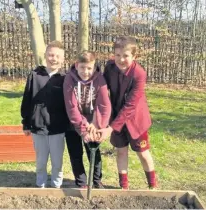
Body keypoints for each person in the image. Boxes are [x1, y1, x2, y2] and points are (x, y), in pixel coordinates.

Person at [98, 36, 157, 189]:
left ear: (134, 56)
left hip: (136, 120)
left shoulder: (139, 74)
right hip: (116, 116)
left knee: (143, 153)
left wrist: (110, 128)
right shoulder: (110, 68)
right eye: (117, 55)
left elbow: (131, 105)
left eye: (125, 56)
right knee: (121, 152)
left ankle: (153, 186)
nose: (121, 59)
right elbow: (103, 92)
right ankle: (123, 186)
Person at [21, 41, 69, 188]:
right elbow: (27, 99)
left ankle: (56, 186)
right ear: (45, 56)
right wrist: (26, 122)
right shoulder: (35, 75)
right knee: (41, 161)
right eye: (50, 55)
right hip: (38, 126)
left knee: (57, 162)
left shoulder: (65, 78)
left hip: (58, 128)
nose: (53, 58)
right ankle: (40, 185)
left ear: (62, 59)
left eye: (57, 56)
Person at [63, 51, 111, 189]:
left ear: (94, 67)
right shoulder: (69, 80)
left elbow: (104, 105)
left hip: (94, 123)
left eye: (89, 68)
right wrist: (83, 129)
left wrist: (97, 126)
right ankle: (81, 182)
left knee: (94, 152)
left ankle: (96, 180)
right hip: (73, 122)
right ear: (77, 65)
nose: (86, 71)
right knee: (75, 152)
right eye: (83, 67)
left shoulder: (100, 80)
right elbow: (72, 108)